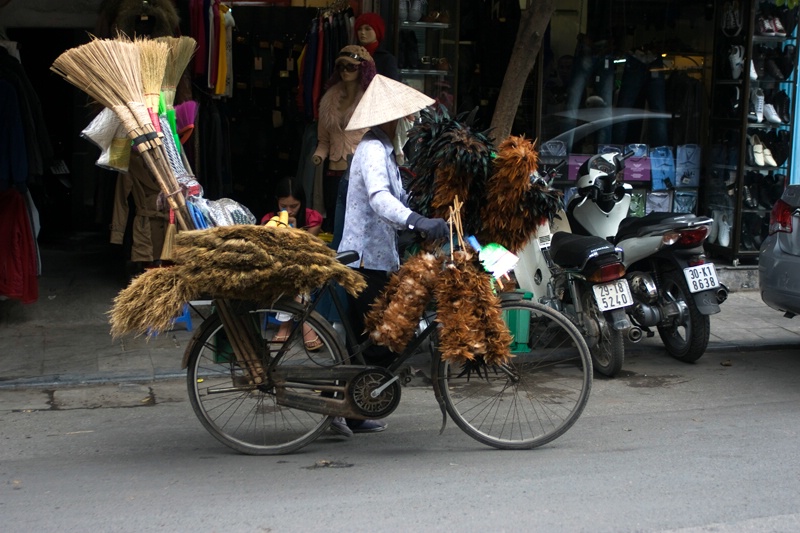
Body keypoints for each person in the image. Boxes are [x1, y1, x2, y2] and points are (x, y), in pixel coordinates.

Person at [331, 74, 446, 436]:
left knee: (365, 342)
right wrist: (416, 220)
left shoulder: (385, 152)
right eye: (404, 118)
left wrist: (424, 214)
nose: (408, 124)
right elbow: (381, 199)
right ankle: (332, 407)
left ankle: (352, 412)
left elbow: (398, 200)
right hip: (364, 261)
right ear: (389, 119)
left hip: (380, 259)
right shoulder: (370, 150)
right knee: (387, 336)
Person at [312, 45, 377, 236]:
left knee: (357, 223)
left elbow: (378, 137)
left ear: (363, 68)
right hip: (333, 171)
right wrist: (318, 156)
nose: (345, 71)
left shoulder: (370, 100)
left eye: (351, 67)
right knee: (335, 221)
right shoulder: (328, 100)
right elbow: (323, 140)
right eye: (341, 67)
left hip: (359, 172)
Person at [262, 177, 324, 350]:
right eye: (284, 206)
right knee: (292, 275)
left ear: (302, 203)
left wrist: (295, 232)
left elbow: (306, 251)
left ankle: (285, 326)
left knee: (300, 273)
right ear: (277, 203)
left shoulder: (313, 218)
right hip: (278, 270)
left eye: (293, 206)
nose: (289, 211)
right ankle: (306, 325)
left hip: (306, 266)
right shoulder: (268, 220)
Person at [353, 12, 400, 81]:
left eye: (367, 29)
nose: (362, 32)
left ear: (377, 31)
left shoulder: (387, 59)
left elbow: (391, 86)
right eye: (359, 29)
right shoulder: (353, 54)